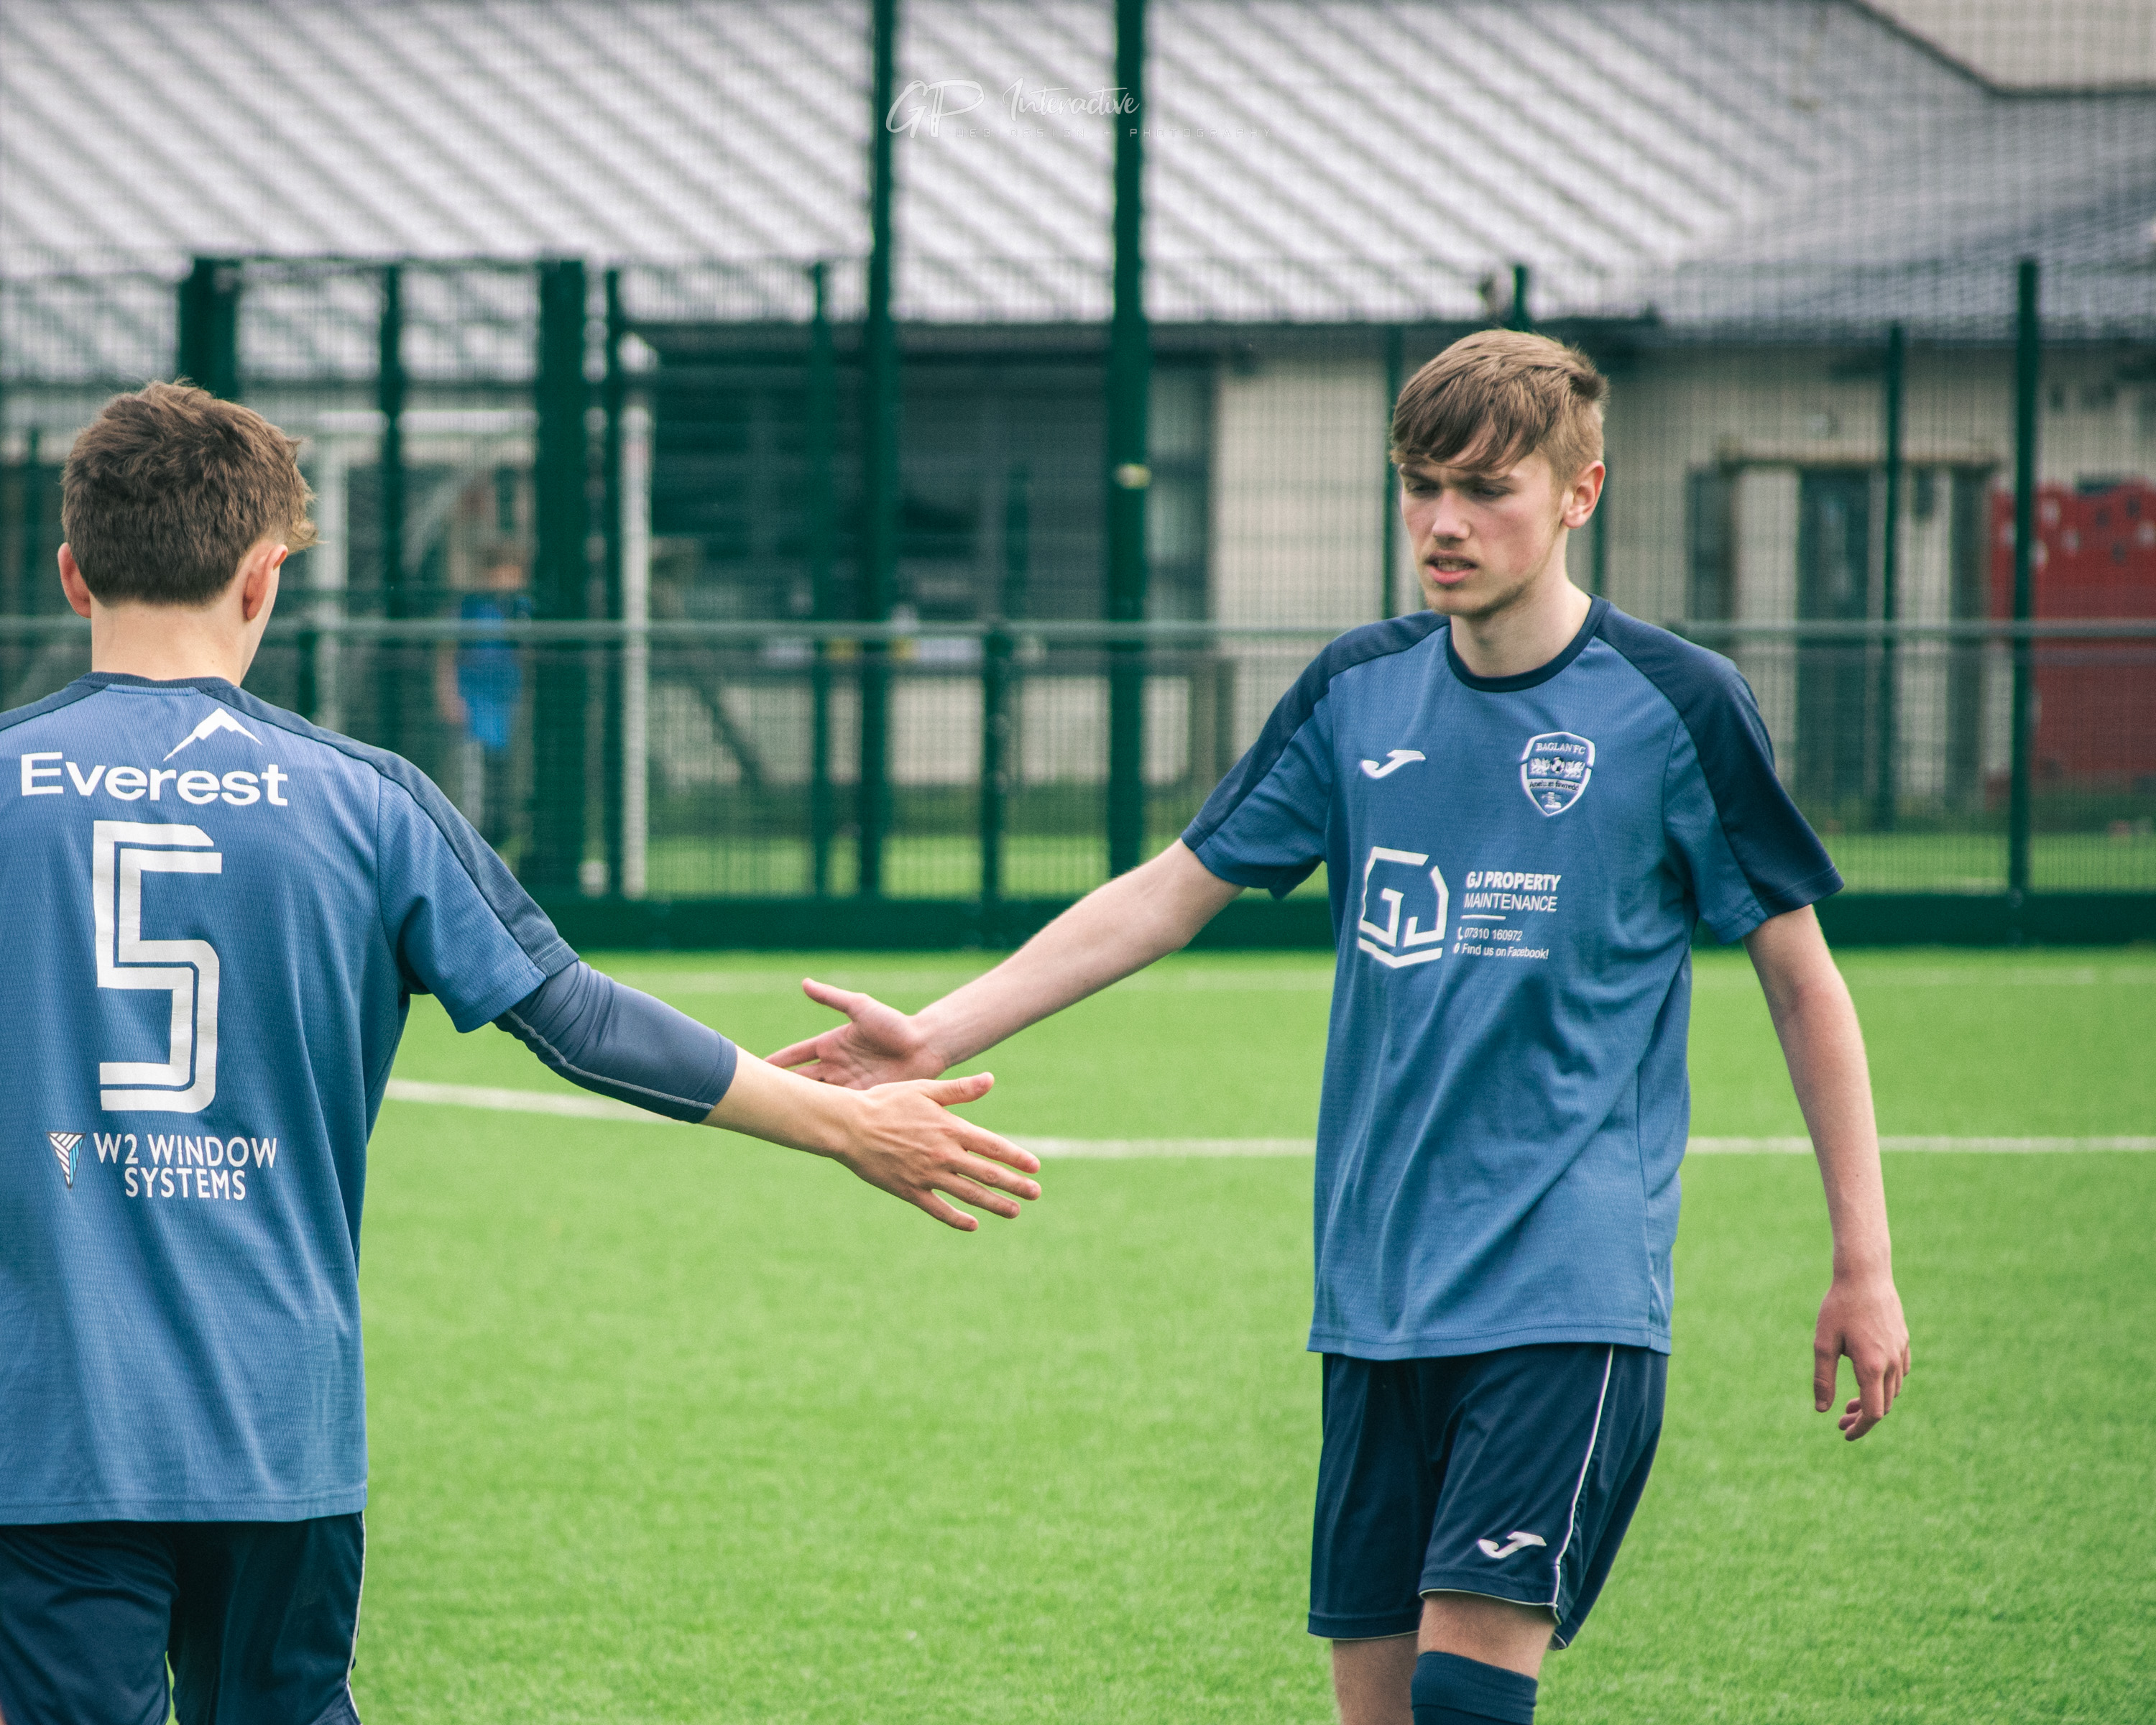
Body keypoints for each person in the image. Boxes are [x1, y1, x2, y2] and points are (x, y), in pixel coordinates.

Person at [770, 331, 1912, 1725]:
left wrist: (1865, 1259)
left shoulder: (1678, 707)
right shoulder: (1356, 691)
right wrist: (934, 1034)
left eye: (1486, 489)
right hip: (1374, 1298)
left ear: (1580, 493)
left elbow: (1802, 980)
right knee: (1377, 1708)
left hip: (1568, 1292)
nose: (1443, 523)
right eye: (1421, 486)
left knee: (1464, 1696)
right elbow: (1167, 895)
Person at [0, 382, 1041, 1725]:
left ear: (73, 572)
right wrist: (849, 1125)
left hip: (49, 1433)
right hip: (279, 1430)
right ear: (264, 582)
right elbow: (583, 1021)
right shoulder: (368, 803)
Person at [431, 541, 531, 845]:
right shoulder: (468, 607)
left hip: (508, 703)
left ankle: (502, 839)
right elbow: (447, 653)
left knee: (505, 779)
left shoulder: (521, 608)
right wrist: (448, 695)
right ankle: (469, 841)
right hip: (473, 705)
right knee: (470, 782)